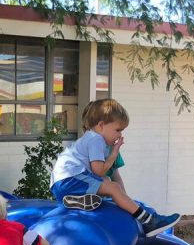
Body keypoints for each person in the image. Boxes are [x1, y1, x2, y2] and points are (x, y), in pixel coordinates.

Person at [50, 99, 180, 237]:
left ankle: (76, 200)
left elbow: (101, 175)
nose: (119, 135)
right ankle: (148, 221)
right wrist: (114, 153)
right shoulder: (96, 140)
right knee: (113, 188)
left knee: (106, 181)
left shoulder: (89, 138)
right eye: (117, 130)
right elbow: (98, 170)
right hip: (69, 180)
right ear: (101, 125)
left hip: (62, 184)